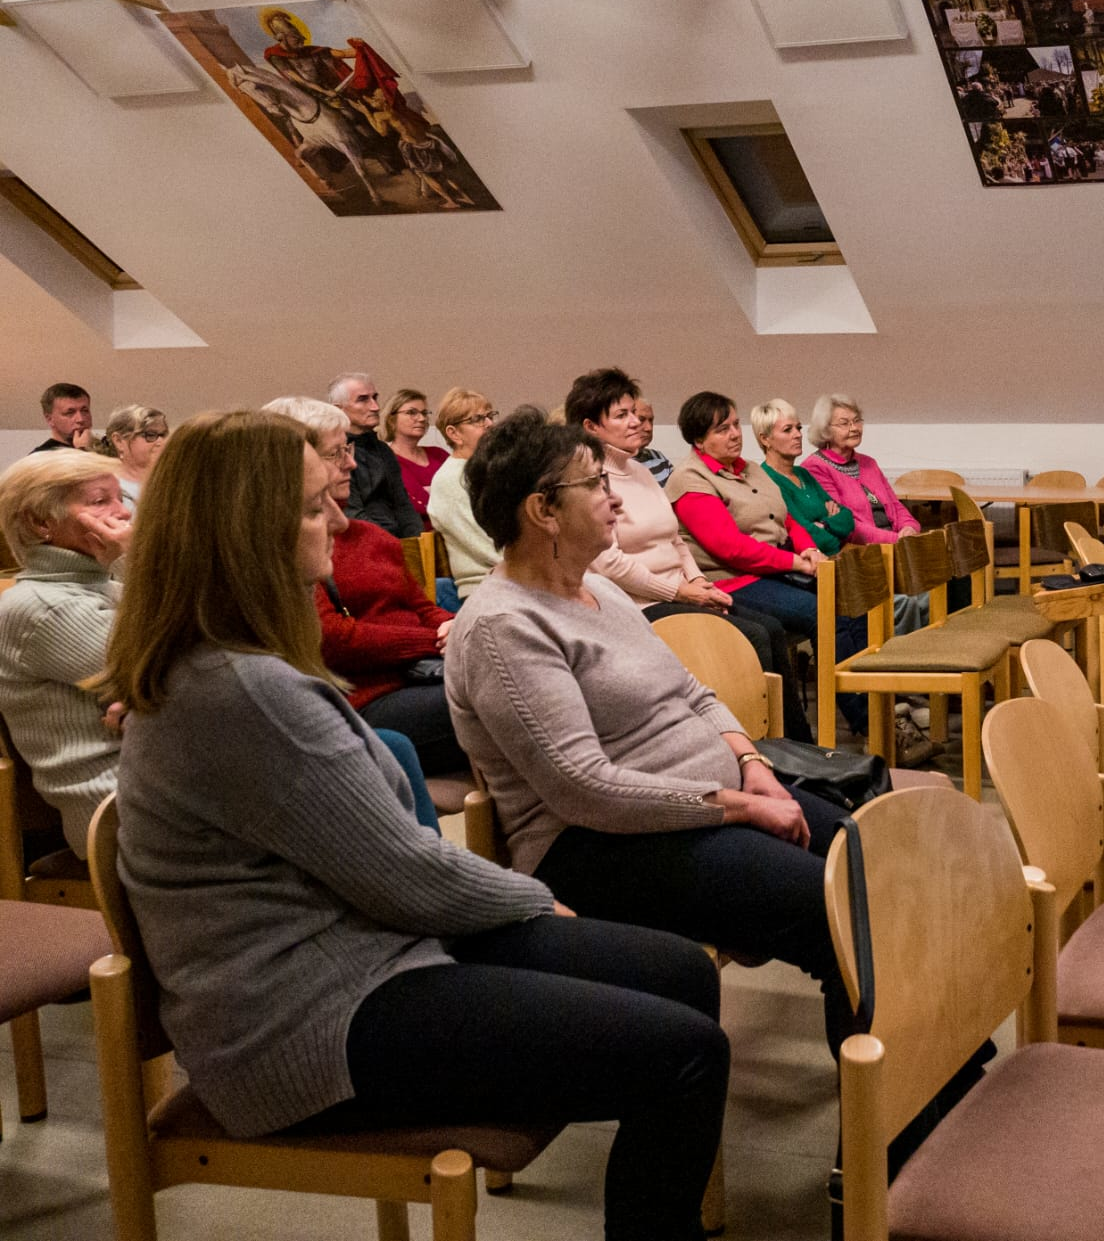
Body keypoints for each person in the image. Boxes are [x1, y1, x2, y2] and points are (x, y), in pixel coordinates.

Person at [105, 409, 727, 1238]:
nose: (336, 518)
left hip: (367, 948)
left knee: (678, 970)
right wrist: (532, 899)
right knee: (683, 1053)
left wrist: (517, 903)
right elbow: (406, 870)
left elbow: (392, 868)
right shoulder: (247, 689)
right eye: (307, 506)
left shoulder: (244, 665)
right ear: (241, 532)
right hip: (304, 1023)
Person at [447, 408, 859, 1063]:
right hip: (593, 846)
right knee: (829, 900)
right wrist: (747, 807)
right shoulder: (503, 628)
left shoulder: (598, 590)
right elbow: (587, 790)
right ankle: (884, 1130)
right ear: (544, 511)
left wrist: (751, 761)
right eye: (593, 484)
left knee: (867, 857)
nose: (613, 497)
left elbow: (694, 694)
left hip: (699, 806)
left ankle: (918, 1082)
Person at [568, 369, 809, 740]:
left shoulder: (639, 471)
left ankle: (798, 747)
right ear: (591, 426)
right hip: (637, 604)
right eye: (622, 415)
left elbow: (675, 540)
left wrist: (697, 581)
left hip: (681, 589)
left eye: (635, 412)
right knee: (752, 636)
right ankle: (760, 746)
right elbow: (608, 563)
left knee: (771, 629)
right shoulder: (588, 479)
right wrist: (679, 592)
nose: (636, 422)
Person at [671, 393, 890, 756]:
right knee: (825, 613)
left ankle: (880, 708)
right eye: (721, 429)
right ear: (699, 440)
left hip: (773, 568)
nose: (733, 434)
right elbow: (730, 548)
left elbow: (787, 519)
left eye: (734, 425)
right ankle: (864, 723)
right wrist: (795, 563)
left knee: (853, 600)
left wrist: (808, 548)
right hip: (732, 579)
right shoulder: (691, 480)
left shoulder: (750, 469)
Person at [265, 397, 465, 778]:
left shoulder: (372, 536)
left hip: (423, 672)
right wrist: (432, 640)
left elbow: (421, 606)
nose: (352, 463)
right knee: (500, 699)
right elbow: (333, 638)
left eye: (350, 448)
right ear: (296, 462)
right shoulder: (296, 545)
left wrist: (452, 627)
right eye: (336, 453)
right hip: (366, 697)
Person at [0, 449, 130, 855]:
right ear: (41, 522)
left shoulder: (104, 588)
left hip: (163, 784)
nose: (123, 513)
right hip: (115, 812)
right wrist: (132, 555)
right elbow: (183, 674)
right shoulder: (41, 607)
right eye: (99, 501)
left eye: (119, 497)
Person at [801, 394, 924, 547]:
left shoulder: (869, 463)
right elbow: (843, 524)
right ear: (825, 430)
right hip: (859, 551)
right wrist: (895, 539)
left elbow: (895, 505)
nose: (854, 428)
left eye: (857, 420)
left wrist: (909, 528)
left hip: (895, 544)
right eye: (844, 423)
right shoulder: (815, 467)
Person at [754, 398, 854, 557]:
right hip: (810, 564)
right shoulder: (767, 479)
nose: (798, 435)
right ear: (765, 439)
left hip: (835, 558)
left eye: (798, 428)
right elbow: (802, 532)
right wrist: (832, 528)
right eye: (788, 430)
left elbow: (848, 518)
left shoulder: (803, 473)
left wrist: (823, 525)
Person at [426, 388, 501, 601]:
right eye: (478, 419)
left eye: (490, 416)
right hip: (485, 587)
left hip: (517, 579)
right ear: (454, 433)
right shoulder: (450, 480)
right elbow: (482, 545)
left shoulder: (492, 469)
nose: (489, 424)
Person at [328, 373, 422, 537]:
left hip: (396, 543)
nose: (375, 407)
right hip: (364, 544)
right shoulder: (334, 454)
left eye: (375, 398)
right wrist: (393, 546)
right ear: (338, 409)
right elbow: (353, 516)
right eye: (363, 399)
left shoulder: (382, 450)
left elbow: (403, 505)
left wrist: (418, 544)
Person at [381, 388, 448, 529]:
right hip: (419, 539)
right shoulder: (387, 461)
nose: (422, 418)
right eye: (412, 413)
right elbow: (418, 506)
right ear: (391, 420)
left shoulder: (439, 454)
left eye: (424, 413)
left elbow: (464, 495)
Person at [98, 404, 170, 507]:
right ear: (119, 441)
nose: (160, 441)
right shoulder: (106, 486)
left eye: (163, 435)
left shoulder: (174, 482)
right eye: (150, 435)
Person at [32, 383, 93, 454]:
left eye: (85, 411)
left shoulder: (103, 448)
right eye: (70, 413)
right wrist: (83, 449)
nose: (81, 419)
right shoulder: (40, 457)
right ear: (50, 419)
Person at [632, 395, 674, 488]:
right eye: (641, 420)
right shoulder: (614, 464)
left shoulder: (659, 457)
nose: (649, 428)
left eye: (651, 420)